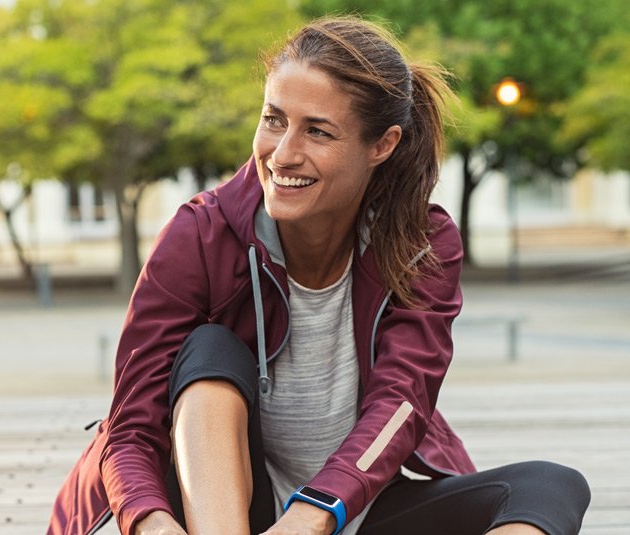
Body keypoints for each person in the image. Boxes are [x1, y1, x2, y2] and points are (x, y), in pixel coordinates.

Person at [49, 16, 590, 535]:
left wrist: (313, 515)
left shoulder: (420, 244)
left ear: (382, 145)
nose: (283, 154)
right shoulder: (201, 234)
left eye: (318, 132)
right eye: (273, 119)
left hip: (345, 512)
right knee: (210, 351)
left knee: (550, 487)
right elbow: (129, 427)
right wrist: (150, 521)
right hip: (213, 515)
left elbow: (402, 403)